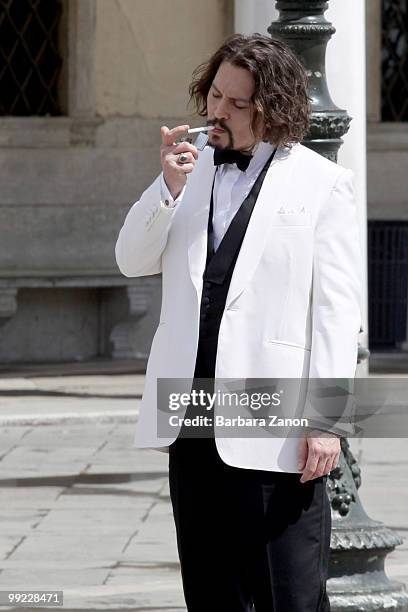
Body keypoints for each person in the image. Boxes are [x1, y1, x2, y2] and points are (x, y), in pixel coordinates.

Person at [115, 33, 362, 612]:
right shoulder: (189, 173)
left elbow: (336, 310)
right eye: (214, 96)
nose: (215, 112)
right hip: (192, 416)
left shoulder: (322, 185)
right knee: (211, 594)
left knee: (292, 597)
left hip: (276, 423)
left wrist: (326, 421)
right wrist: (168, 188)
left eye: (235, 103)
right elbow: (131, 259)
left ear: (273, 108)